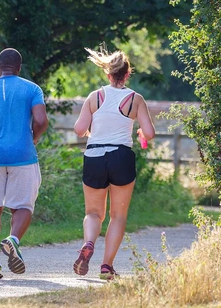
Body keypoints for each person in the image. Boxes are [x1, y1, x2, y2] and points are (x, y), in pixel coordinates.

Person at [73, 46, 155, 280]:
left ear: (108, 74)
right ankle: (106, 267)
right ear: (127, 74)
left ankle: (88, 242)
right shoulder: (135, 99)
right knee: (117, 216)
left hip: (95, 156)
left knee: (93, 212)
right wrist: (140, 132)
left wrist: (92, 129)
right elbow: (149, 133)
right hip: (121, 156)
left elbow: (79, 129)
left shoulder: (94, 97)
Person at [0, 48, 49, 279]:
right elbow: (41, 120)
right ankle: (12, 239)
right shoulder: (32, 89)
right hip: (23, 155)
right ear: (19, 67)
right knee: (23, 206)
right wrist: (32, 137)